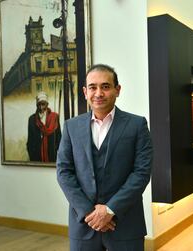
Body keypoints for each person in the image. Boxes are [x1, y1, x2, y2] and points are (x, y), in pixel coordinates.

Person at [57, 64, 153, 250]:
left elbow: (141, 173)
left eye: (105, 86)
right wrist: (89, 213)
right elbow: (63, 172)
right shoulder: (71, 127)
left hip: (125, 224)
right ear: (85, 92)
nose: (98, 93)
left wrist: (110, 210)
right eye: (93, 87)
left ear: (118, 90)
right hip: (84, 224)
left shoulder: (137, 125)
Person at [27, 91, 61, 162]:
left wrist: (57, 153)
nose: (41, 107)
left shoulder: (54, 117)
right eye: (39, 104)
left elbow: (59, 138)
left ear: (47, 104)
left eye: (43, 104)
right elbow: (30, 141)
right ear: (36, 105)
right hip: (37, 157)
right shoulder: (32, 119)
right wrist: (32, 155)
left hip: (52, 156)